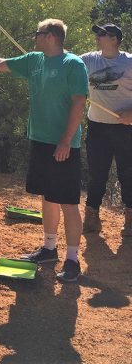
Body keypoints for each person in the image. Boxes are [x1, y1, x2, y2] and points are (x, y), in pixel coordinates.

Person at [0, 19, 89, 282]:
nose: (34, 38)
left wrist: (65, 140)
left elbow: (79, 103)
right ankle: (49, 249)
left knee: (68, 202)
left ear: (50, 36)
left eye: (37, 34)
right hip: (40, 141)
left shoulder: (73, 64)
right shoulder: (34, 60)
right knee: (48, 197)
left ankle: (72, 260)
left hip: (63, 144)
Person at [79, 23, 132, 237]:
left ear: (114, 39)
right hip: (97, 127)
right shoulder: (88, 59)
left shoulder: (129, 62)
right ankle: (92, 218)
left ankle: (130, 219)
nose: (97, 38)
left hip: (125, 128)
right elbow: (67, 64)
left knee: (127, 173)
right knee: (97, 174)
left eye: (101, 35)